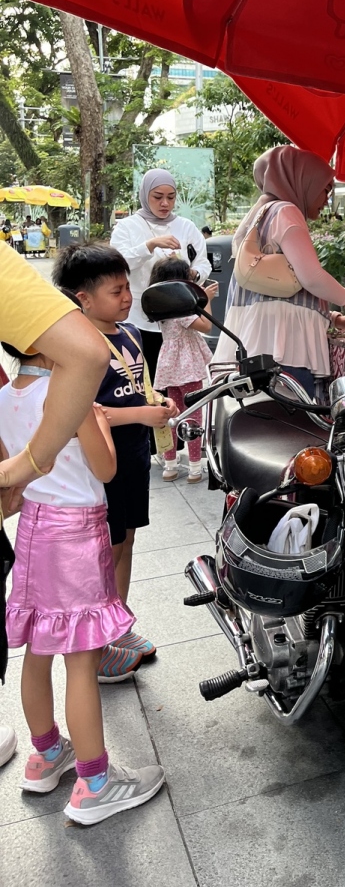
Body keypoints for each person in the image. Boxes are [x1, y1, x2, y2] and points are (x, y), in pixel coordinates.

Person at [0, 330, 166, 823]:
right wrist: (94, 420)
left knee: (38, 650)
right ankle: (95, 783)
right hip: (77, 534)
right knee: (80, 658)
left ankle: (46, 755)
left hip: (33, 527)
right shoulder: (70, 397)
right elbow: (106, 469)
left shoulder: (5, 398)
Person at [54, 243, 176, 681]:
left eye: (127, 287)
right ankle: (97, 643)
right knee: (107, 547)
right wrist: (142, 414)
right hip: (100, 461)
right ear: (83, 298)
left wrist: (156, 403)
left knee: (126, 541)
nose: (127, 297)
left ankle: (117, 623)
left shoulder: (130, 333)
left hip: (134, 453)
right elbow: (85, 413)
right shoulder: (80, 346)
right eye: (116, 291)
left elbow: (138, 387)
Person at [214, 146, 345, 402]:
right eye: (325, 189)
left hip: (260, 347)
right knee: (292, 422)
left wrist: (335, 318)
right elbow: (312, 277)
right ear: (303, 181)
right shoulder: (286, 211)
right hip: (284, 350)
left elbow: (278, 293)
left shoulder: (261, 214)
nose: (327, 200)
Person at [110, 169, 211, 384]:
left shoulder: (186, 226)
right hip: (139, 317)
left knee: (178, 382)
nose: (165, 203)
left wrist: (194, 273)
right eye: (157, 197)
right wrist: (150, 245)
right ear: (145, 195)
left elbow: (203, 263)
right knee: (142, 377)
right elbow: (118, 265)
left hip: (180, 320)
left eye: (171, 197)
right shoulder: (127, 227)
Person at [149, 259, 215, 483]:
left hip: (169, 366)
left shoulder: (162, 309)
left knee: (173, 415)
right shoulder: (181, 311)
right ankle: (195, 467)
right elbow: (207, 326)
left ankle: (170, 466)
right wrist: (207, 300)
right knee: (193, 416)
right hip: (187, 367)